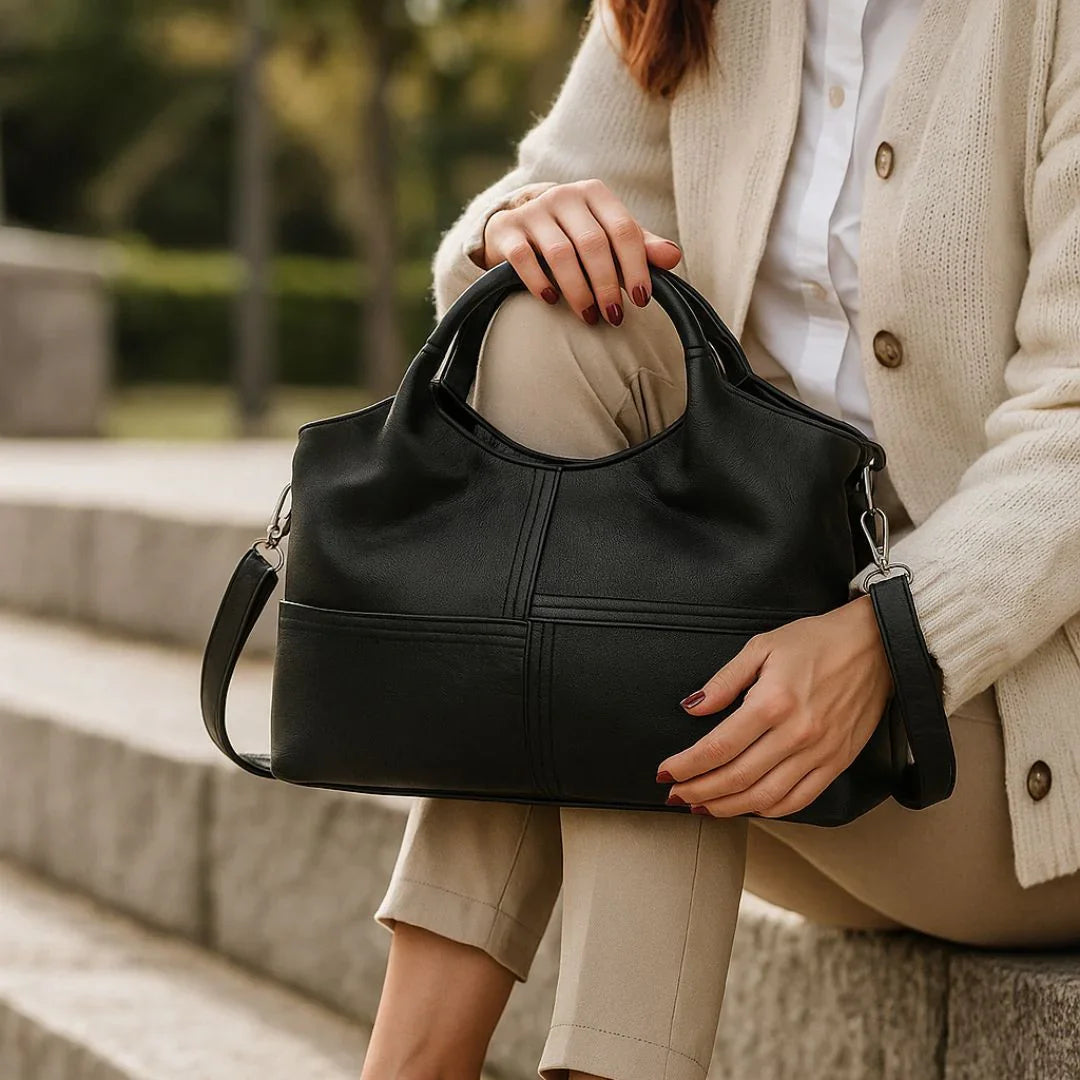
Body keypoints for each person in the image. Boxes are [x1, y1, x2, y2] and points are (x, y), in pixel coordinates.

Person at [361, 1, 1080, 1077]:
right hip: (771, 740)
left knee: (617, 628)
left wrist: (888, 640)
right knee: (547, 330)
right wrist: (522, 227)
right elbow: (522, 256)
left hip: (1032, 762)